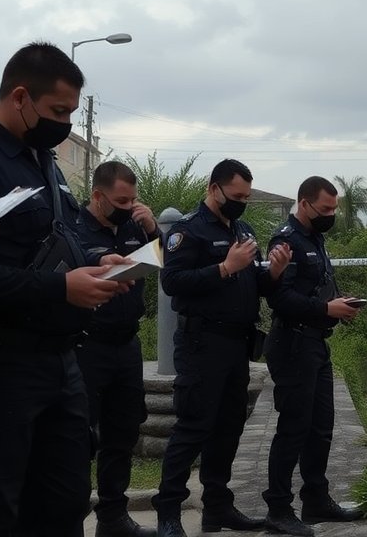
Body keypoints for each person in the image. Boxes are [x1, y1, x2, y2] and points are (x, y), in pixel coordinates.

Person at [0, 42, 131, 537]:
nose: (64, 122)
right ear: (20, 97)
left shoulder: (43, 161)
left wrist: (94, 263)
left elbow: (49, 246)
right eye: (58, 111)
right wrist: (58, 288)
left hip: (61, 364)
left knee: (63, 507)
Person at [152, 159, 291, 537]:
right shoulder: (186, 232)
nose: (242, 202)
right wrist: (224, 268)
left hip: (236, 344)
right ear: (214, 189)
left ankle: (217, 507)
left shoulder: (242, 229)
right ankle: (168, 512)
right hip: (202, 344)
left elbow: (256, 285)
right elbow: (173, 283)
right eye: (237, 195)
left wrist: (273, 273)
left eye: (246, 196)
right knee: (193, 427)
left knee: (228, 429)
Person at [261, 176, 365, 537]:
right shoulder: (285, 240)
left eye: (334, 208)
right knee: (293, 428)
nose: (331, 215)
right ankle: (278, 508)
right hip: (292, 345)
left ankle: (316, 500)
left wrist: (339, 305)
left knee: (321, 428)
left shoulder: (315, 239)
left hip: (316, 344)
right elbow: (279, 299)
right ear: (304, 204)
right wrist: (325, 308)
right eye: (325, 209)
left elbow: (317, 289)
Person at [74, 160, 160, 537]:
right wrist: (97, 260)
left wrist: (154, 229)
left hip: (126, 345)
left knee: (122, 432)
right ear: (97, 195)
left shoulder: (134, 227)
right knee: (77, 438)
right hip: (86, 343)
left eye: (133, 200)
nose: (128, 207)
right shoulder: (74, 226)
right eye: (121, 201)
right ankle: (70, 517)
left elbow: (164, 264)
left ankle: (113, 517)